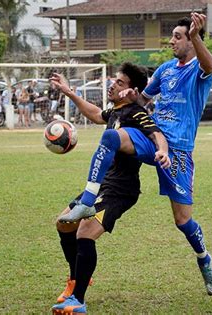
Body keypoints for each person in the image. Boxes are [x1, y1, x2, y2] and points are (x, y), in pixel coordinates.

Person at [58, 13, 212, 297]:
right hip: (149, 136)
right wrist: (135, 99)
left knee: (183, 220)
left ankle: (204, 257)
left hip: (177, 148)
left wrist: (195, 35)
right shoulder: (166, 69)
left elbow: (211, 64)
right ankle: (88, 199)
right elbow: (143, 100)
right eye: (173, 36)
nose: (172, 40)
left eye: (178, 36)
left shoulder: (199, 69)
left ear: (192, 40)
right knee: (111, 136)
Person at [50, 62, 169, 314]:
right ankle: (75, 279)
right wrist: (69, 92)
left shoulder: (135, 113)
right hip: (105, 184)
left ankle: (78, 300)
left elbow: (156, 132)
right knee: (63, 224)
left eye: (120, 82)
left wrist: (162, 150)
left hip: (121, 191)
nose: (113, 85)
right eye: (114, 80)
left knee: (84, 234)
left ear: (132, 90)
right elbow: (95, 113)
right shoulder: (115, 112)